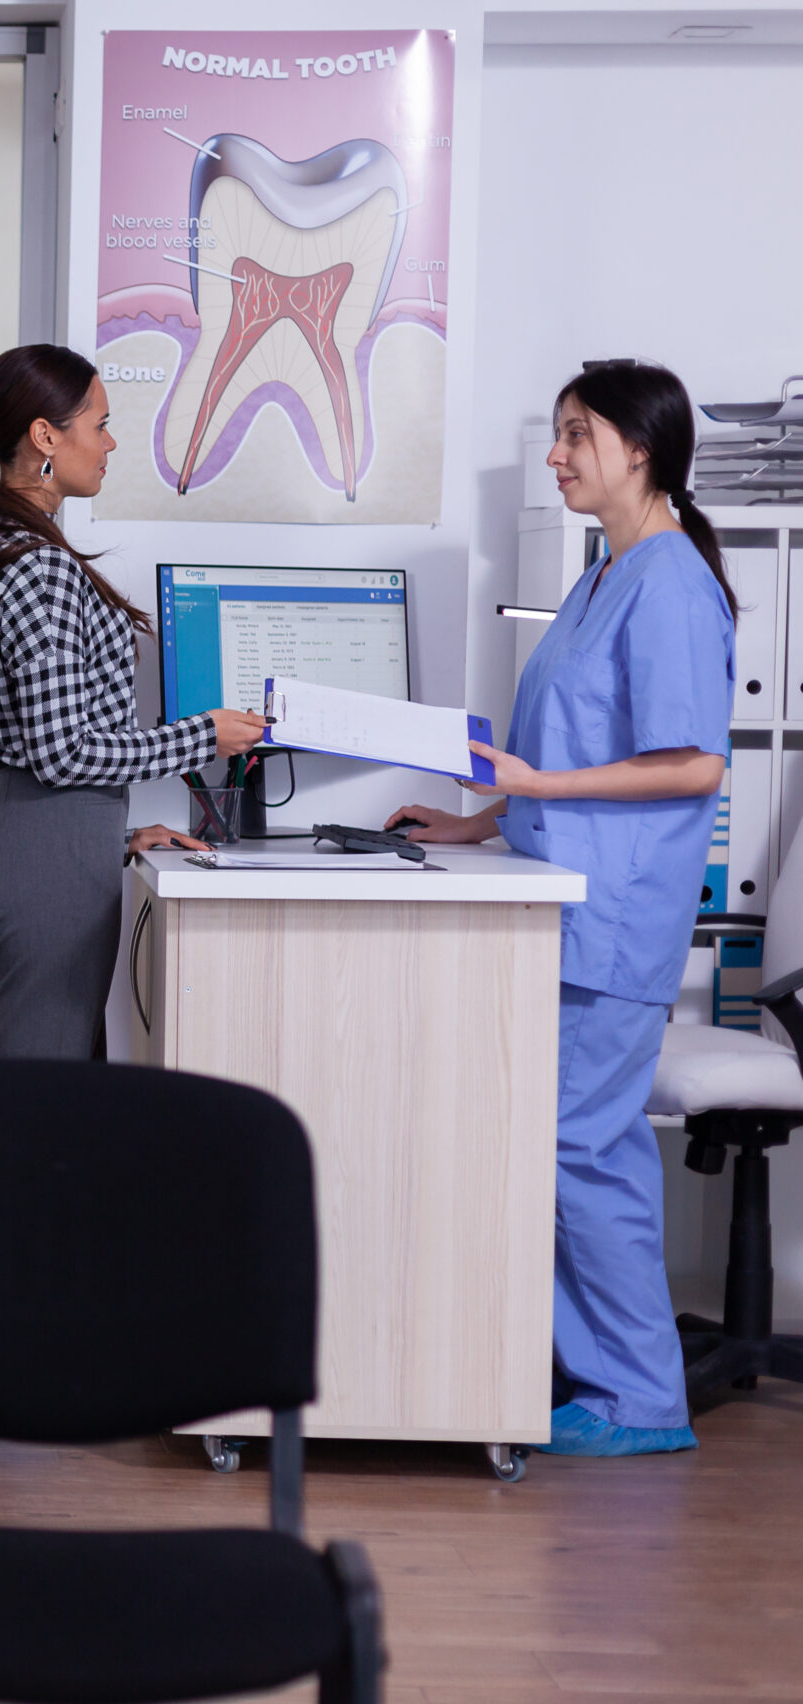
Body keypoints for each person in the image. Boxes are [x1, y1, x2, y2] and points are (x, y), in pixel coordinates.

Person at [389, 360, 732, 1458]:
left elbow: (688, 766)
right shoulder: (602, 576)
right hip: (568, 902)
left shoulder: (670, 583)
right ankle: (595, 1375)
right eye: (556, 434)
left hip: (613, 917)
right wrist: (476, 822)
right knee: (561, 1143)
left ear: (640, 448)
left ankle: (640, 1398)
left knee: (583, 1147)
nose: (555, 455)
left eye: (576, 435)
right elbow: (570, 752)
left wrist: (531, 794)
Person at [0, 343, 267, 1063]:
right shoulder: (39, 565)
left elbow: (3, 740)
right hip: (42, 862)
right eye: (101, 423)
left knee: (53, 1112)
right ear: (45, 437)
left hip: (30, 846)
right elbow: (61, 749)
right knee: (42, 1121)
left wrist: (109, 838)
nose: (112, 442)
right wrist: (201, 736)